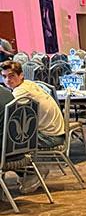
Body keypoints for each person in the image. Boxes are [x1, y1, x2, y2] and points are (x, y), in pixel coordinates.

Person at [1, 60, 65, 193]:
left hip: (50, 137)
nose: (8, 80)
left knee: (10, 140)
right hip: (57, 131)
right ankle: (28, 172)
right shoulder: (29, 84)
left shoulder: (19, 92)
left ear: (21, 75)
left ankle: (33, 172)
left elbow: (9, 118)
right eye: (4, 76)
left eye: (12, 76)